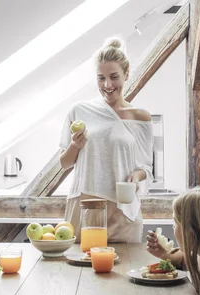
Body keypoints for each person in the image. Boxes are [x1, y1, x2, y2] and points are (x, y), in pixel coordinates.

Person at [59, 37, 154, 243]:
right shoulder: (80, 110)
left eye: (114, 77)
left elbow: (146, 168)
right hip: (86, 208)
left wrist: (136, 178)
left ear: (126, 74)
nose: (107, 85)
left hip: (122, 211)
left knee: (126, 271)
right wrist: (76, 145)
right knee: (78, 272)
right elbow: (64, 163)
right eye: (101, 78)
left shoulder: (141, 117)